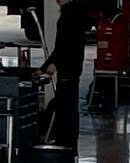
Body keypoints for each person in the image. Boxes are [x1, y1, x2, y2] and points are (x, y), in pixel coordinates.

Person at [37, 0, 92, 150]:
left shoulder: (69, 16)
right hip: (72, 67)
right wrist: (43, 68)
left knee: (65, 108)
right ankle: (67, 142)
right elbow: (62, 47)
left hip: (68, 68)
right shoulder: (74, 13)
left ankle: (65, 143)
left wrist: (55, 65)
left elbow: (66, 46)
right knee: (67, 105)